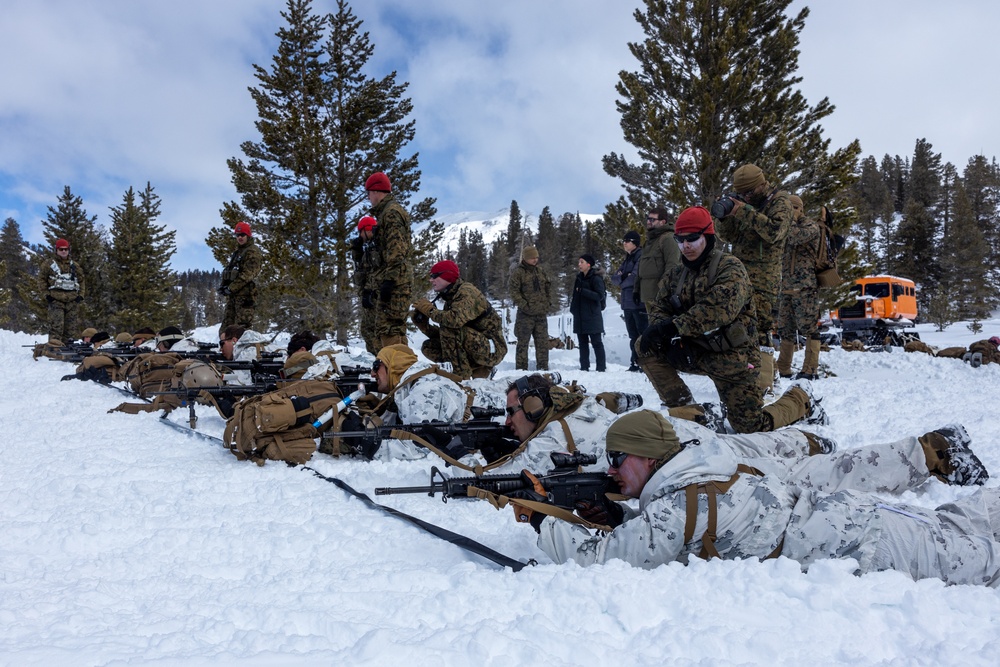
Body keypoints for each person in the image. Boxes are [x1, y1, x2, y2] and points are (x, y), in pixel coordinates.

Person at [514, 410, 1000, 587]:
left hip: (871, 545)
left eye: (619, 458)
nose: (611, 469)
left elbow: (602, 559)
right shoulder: (702, 470)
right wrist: (619, 511)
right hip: (859, 519)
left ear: (649, 457)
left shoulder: (680, 504)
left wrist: (540, 520)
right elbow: (676, 519)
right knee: (958, 522)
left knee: (986, 563)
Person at [636, 206, 823, 434]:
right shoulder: (676, 274)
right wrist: (663, 334)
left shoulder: (730, 267)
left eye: (692, 239)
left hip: (733, 359)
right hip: (694, 351)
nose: (685, 246)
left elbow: (717, 310)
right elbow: (660, 307)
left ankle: (800, 399)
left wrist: (673, 328)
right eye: (680, 240)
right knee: (644, 345)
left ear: (708, 236)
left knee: (751, 428)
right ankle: (685, 409)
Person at [714, 164, 792, 394]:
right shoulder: (743, 203)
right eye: (742, 193)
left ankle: (765, 385)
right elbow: (726, 235)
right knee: (738, 327)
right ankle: (753, 375)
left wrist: (742, 211)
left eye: (749, 192)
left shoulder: (780, 202)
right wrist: (726, 216)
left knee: (760, 328)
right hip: (738, 275)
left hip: (765, 279)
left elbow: (774, 232)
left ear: (761, 184)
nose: (745, 197)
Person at [412, 260, 507, 380]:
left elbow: (453, 321)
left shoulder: (467, 292)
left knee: (450, 327)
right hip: (477, 345)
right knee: (429, 346)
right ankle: (476, 370)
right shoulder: (451, 297)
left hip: (493, 348)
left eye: (434, 276)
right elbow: (446, 337)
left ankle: (460, 379)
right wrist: (424, 326)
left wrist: (430, 311)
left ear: (447, 276)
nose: (431, 280)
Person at [776, 195, 822, 380]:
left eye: (794, 208)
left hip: (805, 287)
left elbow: (795, 237)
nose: (791, 211)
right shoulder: (785, 227)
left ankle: (810, 369)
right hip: (786, 286)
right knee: (785, 329)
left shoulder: (810, 227)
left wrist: (790, 219)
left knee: (809, 327)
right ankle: (783, 368)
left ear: (801, 209)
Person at [365, 172, 413, 349]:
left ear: (376, 191)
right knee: (392, 328)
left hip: (395, 282)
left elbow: (397, 249)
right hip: (394, 279)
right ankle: (396, 372)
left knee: (389, 329)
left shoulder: (391, 213)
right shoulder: (387, 212)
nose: (369, 198)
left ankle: (396, 373)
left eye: (368, 193)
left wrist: (389, 281)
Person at [509, 246, 552, 371]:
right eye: (532, 257)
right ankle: (521, 369)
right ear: (526, 258)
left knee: (543, 343)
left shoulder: (540, 271)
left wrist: (547, 303)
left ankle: (543, 368)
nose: (535, 260)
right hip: (525, 315)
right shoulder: (518, 273)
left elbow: (548, 287)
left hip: (541, 314)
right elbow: (514, 292)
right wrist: (524, 305)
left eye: (537, 257)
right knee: (523, 343)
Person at [611, 230, 647, 372]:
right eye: (624, 241)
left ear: (635, 243)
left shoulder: (640, 257)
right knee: (633, 336)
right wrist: (624, 277)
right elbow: (614, 278)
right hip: (627, 304)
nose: (624, 243)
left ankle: (645, 364)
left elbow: (634, 278)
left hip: (638, 303)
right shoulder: (627, 258)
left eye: (627, 241)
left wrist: (623, 278)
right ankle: (635, 362)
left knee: (642, 335)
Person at [218, 222, 262, 330]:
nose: (240, 238)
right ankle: (226, 346)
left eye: (242, 235)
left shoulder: (253, 252)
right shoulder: (238, 252)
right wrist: (224, 286)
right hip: (233, 296)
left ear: (248, 235)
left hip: (245, 297)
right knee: (226, 328)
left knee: (242, 329)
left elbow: (248, 274)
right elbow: (231, 270)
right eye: (237, 235)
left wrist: (231, 288)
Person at [40, 238, 85, 343]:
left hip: (72, 301)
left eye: (66, 249)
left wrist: (81, 295)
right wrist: (46, 295)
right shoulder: (48, 264)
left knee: (71, 328)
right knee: (56, 326)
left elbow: (82, 280)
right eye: (61, 249)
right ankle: (54, 350)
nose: (64, 251)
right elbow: (41, 280)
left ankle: (67, 350)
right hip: (56, 300)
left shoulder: (75, 266)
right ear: (56, 250)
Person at [635, 208, 681, 310]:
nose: (648, 222)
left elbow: (672, 266)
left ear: (662, 222)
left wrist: (663, 291)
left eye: (652, 219)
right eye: (648, 219)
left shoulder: (668, 239)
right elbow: (641, 267)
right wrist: (636, 290)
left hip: (659, 297)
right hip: (647, 296)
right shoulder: (649, 241)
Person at [570, 254, 606, 372]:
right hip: (579, 315)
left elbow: (600, 296)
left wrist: (583, 291)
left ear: (589, 264)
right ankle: (584, 366)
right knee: (582, 343)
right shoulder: (579, 278)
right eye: (579, 262)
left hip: (592, 316)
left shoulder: (596, 278)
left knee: (596, 342)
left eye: (582, 262)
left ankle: (601, 367)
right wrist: (573, 309)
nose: (579, 264)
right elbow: (575, 295)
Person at [352, 215, 381, 354]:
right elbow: (361, 267)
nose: (360, 236)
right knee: (368, 329)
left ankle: (380, 359)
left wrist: (370, 291)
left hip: (376, 295)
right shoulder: (369, 246)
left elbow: (376, 270)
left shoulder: (378, 244)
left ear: (366, 230)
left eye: (360, 232)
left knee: (372, 330)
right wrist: (357, 250)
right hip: (371, 293)